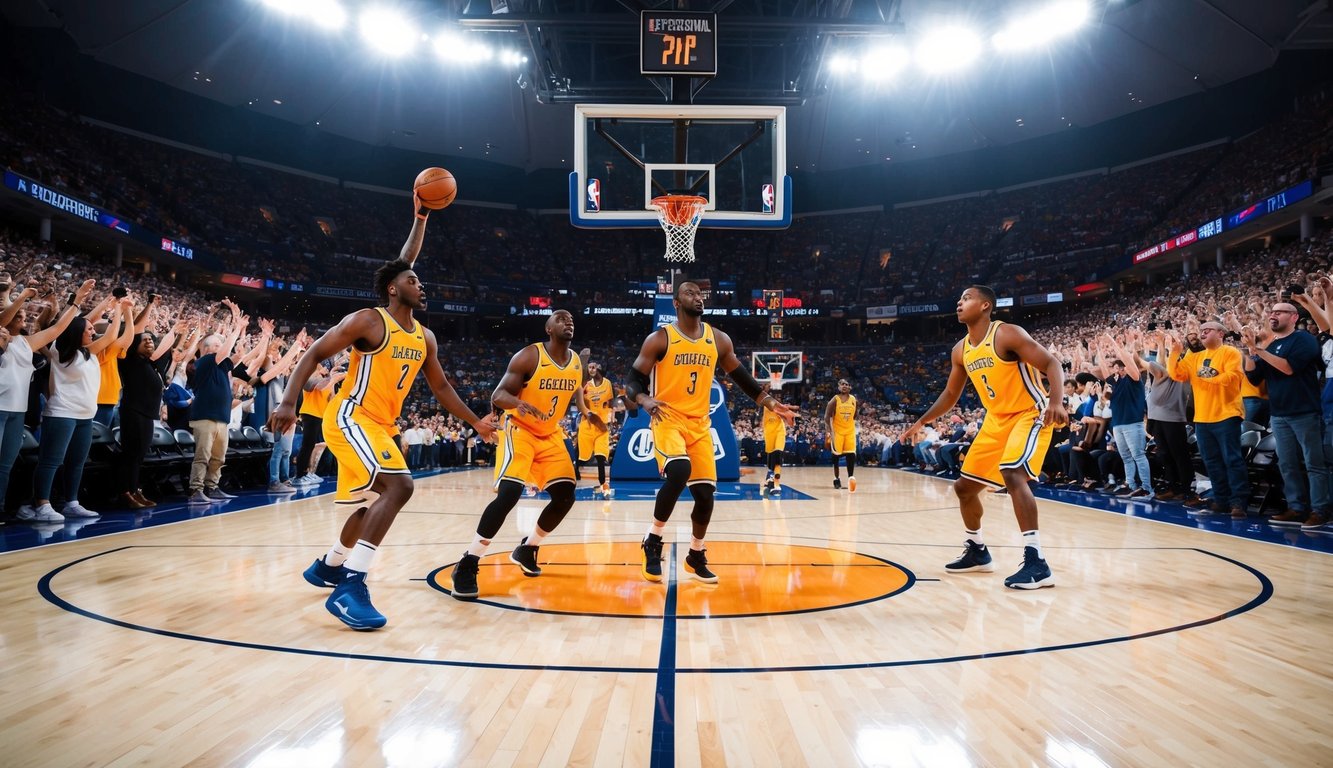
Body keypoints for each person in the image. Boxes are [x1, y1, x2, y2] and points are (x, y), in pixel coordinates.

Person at [271, 209, 497, 630]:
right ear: (393, 288)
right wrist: (288, 401)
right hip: (350, 416)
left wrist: (477, 424)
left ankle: (330, 566)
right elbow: (313, 353)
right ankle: (350, 586)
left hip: (382, 426)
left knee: (377, 501)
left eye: (419, 280)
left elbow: (443, 388)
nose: (421, 283)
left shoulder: (424, 337)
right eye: (413, 280)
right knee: (400, 486)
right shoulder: (369, 321)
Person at [625, 281, 797, 584]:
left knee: (705, 495)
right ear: (677, 304)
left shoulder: (717, 339)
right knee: (679, 471)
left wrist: (770, 403)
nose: (698, 297)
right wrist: (644, 399)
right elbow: (632, 381)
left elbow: (742, 376)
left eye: (700, 293)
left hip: (700, 425)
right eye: (690, 293)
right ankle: (652, 541)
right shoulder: (660, 339)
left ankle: (696, 553)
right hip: (667, 419)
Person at [901, 285, 1067, 589]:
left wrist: (1056, 401)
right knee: (964, 488)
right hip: (996, 420)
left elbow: (1051, 364)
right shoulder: (960, 350)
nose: (959, 302)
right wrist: (921, 421)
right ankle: (977, 551)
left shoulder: (1007, 334)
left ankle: (1037, 563)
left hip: (1029, 412)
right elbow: (951, 394)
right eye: (960, 298)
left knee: (1012, 473)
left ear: (986, 305)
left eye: (967, 298)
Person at [450, 310, 591, 600]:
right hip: (521, 430)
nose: (568, 321)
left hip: (550, 433)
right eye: (561, 318)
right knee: (510, 493)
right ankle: (468, 562)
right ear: (548, 328)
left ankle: (528, 547)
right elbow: (498, 394)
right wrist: (518, 403)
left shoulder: (576, 362)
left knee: (566, 495)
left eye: (571, 318)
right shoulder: (529, 356)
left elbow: (575, 389)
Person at [20, 292, 130, 522]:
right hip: (61, 413)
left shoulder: (90, 353)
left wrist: (118, 307)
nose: (92, 331)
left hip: (85, 416)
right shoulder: (60, 353)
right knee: (51, 460)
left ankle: (71, 502)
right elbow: (61, 327)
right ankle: (41, 503)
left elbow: (111, 335)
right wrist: (80, 301)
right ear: (75, 331)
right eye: (88, 328)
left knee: (77, 461)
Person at [0, 279, 94, 513]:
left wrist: (77, 301)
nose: (22, 320)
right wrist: (21, 298)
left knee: (5, 466)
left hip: (17, 412)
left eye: (22, 317)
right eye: (17, 316)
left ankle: (1, 508)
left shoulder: (25, 343)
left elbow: (57, 329)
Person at [1244, 303, 1330, 527]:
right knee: (1287, 464)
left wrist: (1259, 350)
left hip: (1304, 411)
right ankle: (1296, 508)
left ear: (1293, 317)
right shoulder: (1272, 345)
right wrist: (1248, 350)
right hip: (1279, 413)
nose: (1273, 315)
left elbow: (1289, 368)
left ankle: (1320, 510)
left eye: (1278, 312)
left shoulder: (1303, 339)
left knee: (1314, 463)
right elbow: (1255, 377)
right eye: (1271, 312)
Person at [1169, 321, 1249, 517]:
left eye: (1207, 330)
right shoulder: (1194, 357)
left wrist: (1207, 378)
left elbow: (1234, 377)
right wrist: (1174, 352)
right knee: (1211, 461)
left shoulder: (1230, 352)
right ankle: (1221, 500)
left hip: (1227, 413)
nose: (1202, 334)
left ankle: (1238, 502)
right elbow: (1176, 374)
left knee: (1232, 460)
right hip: (1202, 417)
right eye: (1201, 331)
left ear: (1220, 333)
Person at [187, 299, 244, 504]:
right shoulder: (204, 362)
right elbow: (226, 352)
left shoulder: (221, 366)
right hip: (205, 416)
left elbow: (238, 356)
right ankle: (196, 490)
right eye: (218, 344)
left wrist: (240, 326)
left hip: (221, 418)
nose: (222, 347)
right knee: (203, 456)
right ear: (207, 348)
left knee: (219, 458)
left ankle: (212, 486)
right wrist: (236, 328)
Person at [577, 359, 615, 499]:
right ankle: (571, 474)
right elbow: (580, 400)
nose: (591, 370)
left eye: (593, 367)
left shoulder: (607, 384)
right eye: (589, 368)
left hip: (602, 425)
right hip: (587, 424)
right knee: (583, 458)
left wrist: (611, 419)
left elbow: (610, 403)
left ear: (599, 367)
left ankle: (603, 484)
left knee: (600, 458)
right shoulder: (586, 385)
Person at [825, 378, 858, 491]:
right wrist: (829, 432)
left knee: (851, 455)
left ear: (850, 387)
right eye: (842, 384)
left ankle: (850, 478)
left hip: (849, 432)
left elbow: (855, 416)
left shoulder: (854, 400)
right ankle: (836, 478)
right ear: (838, 387)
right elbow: (826, 417)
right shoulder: (834, 400)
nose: (844, 386)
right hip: (837, 432)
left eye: (847, 384)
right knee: (836, 457)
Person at [762, 383, 787, 497]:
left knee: (778, 455)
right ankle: (770, 474)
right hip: (768, 432)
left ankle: (775, 484)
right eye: (776, 396)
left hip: (779, 432)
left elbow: (790, 420)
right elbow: (761, 394)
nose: (778, 399)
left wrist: (789, 417)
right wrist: (768, 385)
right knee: (771, 456)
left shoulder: (782, 407)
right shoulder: (766, 402)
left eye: (779, 397)